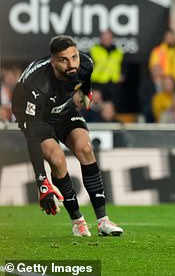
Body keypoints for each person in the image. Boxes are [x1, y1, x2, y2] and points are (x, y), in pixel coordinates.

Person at [11, 35, 123, 237]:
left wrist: (86, 93)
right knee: (57, 159)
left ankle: (103, 221)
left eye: (74, 57)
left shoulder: (85, 64)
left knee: (85, 149)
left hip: (64, 111)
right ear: (53, 61)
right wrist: (42, 182)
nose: (72, 64)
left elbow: (84, 79)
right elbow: (33, 138)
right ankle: (78, 222)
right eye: (64, 60)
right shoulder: (37, 86)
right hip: (37, 118)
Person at [89, 30, 125, 109]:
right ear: (101, 38)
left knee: (113, 107)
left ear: (112, 39)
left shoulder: (118, 51)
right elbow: (87, 67)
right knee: (97, 108)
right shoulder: (94, 50)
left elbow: (123, 65)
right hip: (98, 84)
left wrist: (123, 75)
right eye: (105, 38)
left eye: (109, 38)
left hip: (114, 84)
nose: (107, 40)